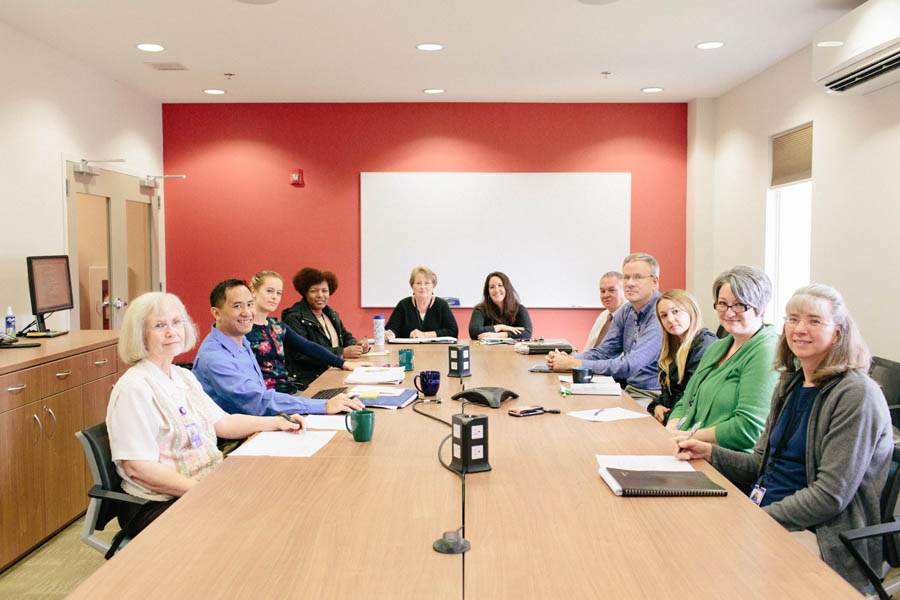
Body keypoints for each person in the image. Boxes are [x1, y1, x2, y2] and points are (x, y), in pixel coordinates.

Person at [676, 284, 892, 589]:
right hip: (770, 515)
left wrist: (754, 519)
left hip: (822, 535)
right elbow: (760, 465)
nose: (799, 329)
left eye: (814, 321)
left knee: (710, 568)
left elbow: (829, 496)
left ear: (839, 333)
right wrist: (709, 453)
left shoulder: (856, 394)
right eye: (792, 319)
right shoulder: (790, 384)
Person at [106, 292, 307, 551]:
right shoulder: (135, 388)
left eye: (176, 322)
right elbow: (138, 468)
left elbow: (222, 423)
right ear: (139, 335)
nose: (171, 332)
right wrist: (205, 493)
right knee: (260, 527)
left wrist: (277, 423)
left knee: (280, 497)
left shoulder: (182, 377)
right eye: (159, 325)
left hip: (206, 483)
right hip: (160, 503)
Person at [193, 279, 364, 415]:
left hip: (264, 415)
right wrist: (322, 406)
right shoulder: (215, 357)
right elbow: (257, 401)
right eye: (237, 306)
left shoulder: (241, 339)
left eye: (250, 304)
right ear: (216, 313)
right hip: (239, 437)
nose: (247, 312)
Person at [666, 265, 779, 452]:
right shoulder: (717, 347)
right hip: (686, 448)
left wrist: (685, 436)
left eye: (739, 304)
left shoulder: (767, 352)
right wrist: (672, 429)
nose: (729, 312)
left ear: (761, 307)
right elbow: (686, 400)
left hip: (728, 461)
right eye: (722, 303)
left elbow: (747, 429)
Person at [546, 253, 663, 405]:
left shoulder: (661, 312)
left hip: (654, 397)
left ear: (654, 282)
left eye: (638, 277)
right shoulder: (627, 310)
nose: (630, 283)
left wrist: (574, 364)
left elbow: (630, 365)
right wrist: (568, 359)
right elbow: (603, 352)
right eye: (626, 278)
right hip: (628, 390)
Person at [248, 270, 368, 392]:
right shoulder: (242, 329)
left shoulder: (277, 326)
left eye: (279, 293)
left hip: (288, 392)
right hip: (266, 397)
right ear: (253, 291)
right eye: (269, 291)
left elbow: (308, 347)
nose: (275, 297)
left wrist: (345, 364)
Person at [282, 268, 370, 388]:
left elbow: (345, 336)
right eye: (314, 291)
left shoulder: (331, 314)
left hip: (335, 372)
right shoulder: (294, 317)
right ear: (305, 292)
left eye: (325, 291)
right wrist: (342, 353)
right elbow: (301, 355)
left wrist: (356, 345)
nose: (320, 295)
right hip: (310, 380)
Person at [646, 289, 718, 425]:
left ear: (691, 310)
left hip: (690, 423)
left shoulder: (704, 345)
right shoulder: (675, 345)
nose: (670, 319)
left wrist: (667, 417)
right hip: (672, 417)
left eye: (676, 311)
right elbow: (669, 393)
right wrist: (657, 406)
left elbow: (692, 397)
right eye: (664, 316)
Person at [384, 266, 458, 340]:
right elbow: (391, 328)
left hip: (435, 349)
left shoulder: (441, 305)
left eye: (427, 283)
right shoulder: (403, 305)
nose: (422, 287)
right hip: (408, 350)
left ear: (433, 286)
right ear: (412, 286)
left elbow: (453, 331)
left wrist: (425, 335)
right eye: (418, 283)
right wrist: (390, 334)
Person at [468, 271, 533, 340]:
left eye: (500, 285)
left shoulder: (519, 309)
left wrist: (498, 335)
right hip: (487, 350)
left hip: (512, 350)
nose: (496, 290)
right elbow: (473, 332)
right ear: (488, 292)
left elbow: (527, 333)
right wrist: (501, 327)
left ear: (507, 288)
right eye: (492, 287)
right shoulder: (480, 309)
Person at [582, 271, 626, 351]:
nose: (606, 295)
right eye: (602, 291)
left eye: (612, 290)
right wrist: (573, 360)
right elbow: (588, 348)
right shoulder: (603, 316)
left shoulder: (630, 317)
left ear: (625, 291)